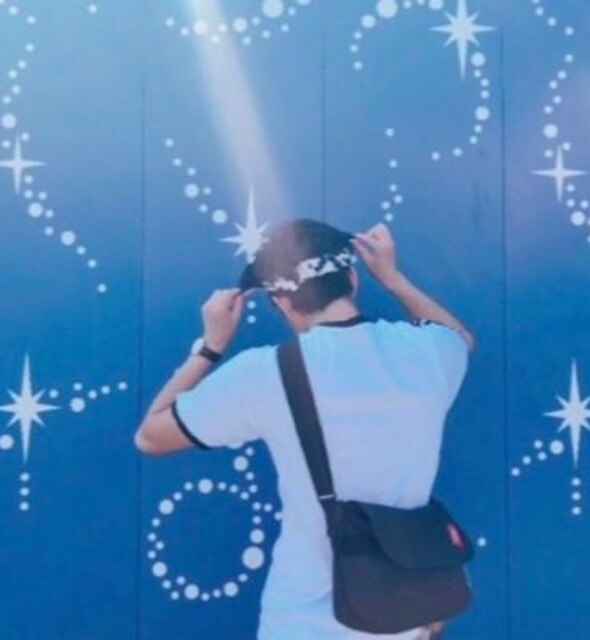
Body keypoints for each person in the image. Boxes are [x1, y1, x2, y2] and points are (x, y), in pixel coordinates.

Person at [135, 220, 473, 640]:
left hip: (302, 624)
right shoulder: (431, 352)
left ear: (281, 302)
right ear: (352, 279)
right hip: (408, 616)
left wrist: (210, 346)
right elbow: (460, 338)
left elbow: (150, 436)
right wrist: (391, 277)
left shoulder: (265, 372)